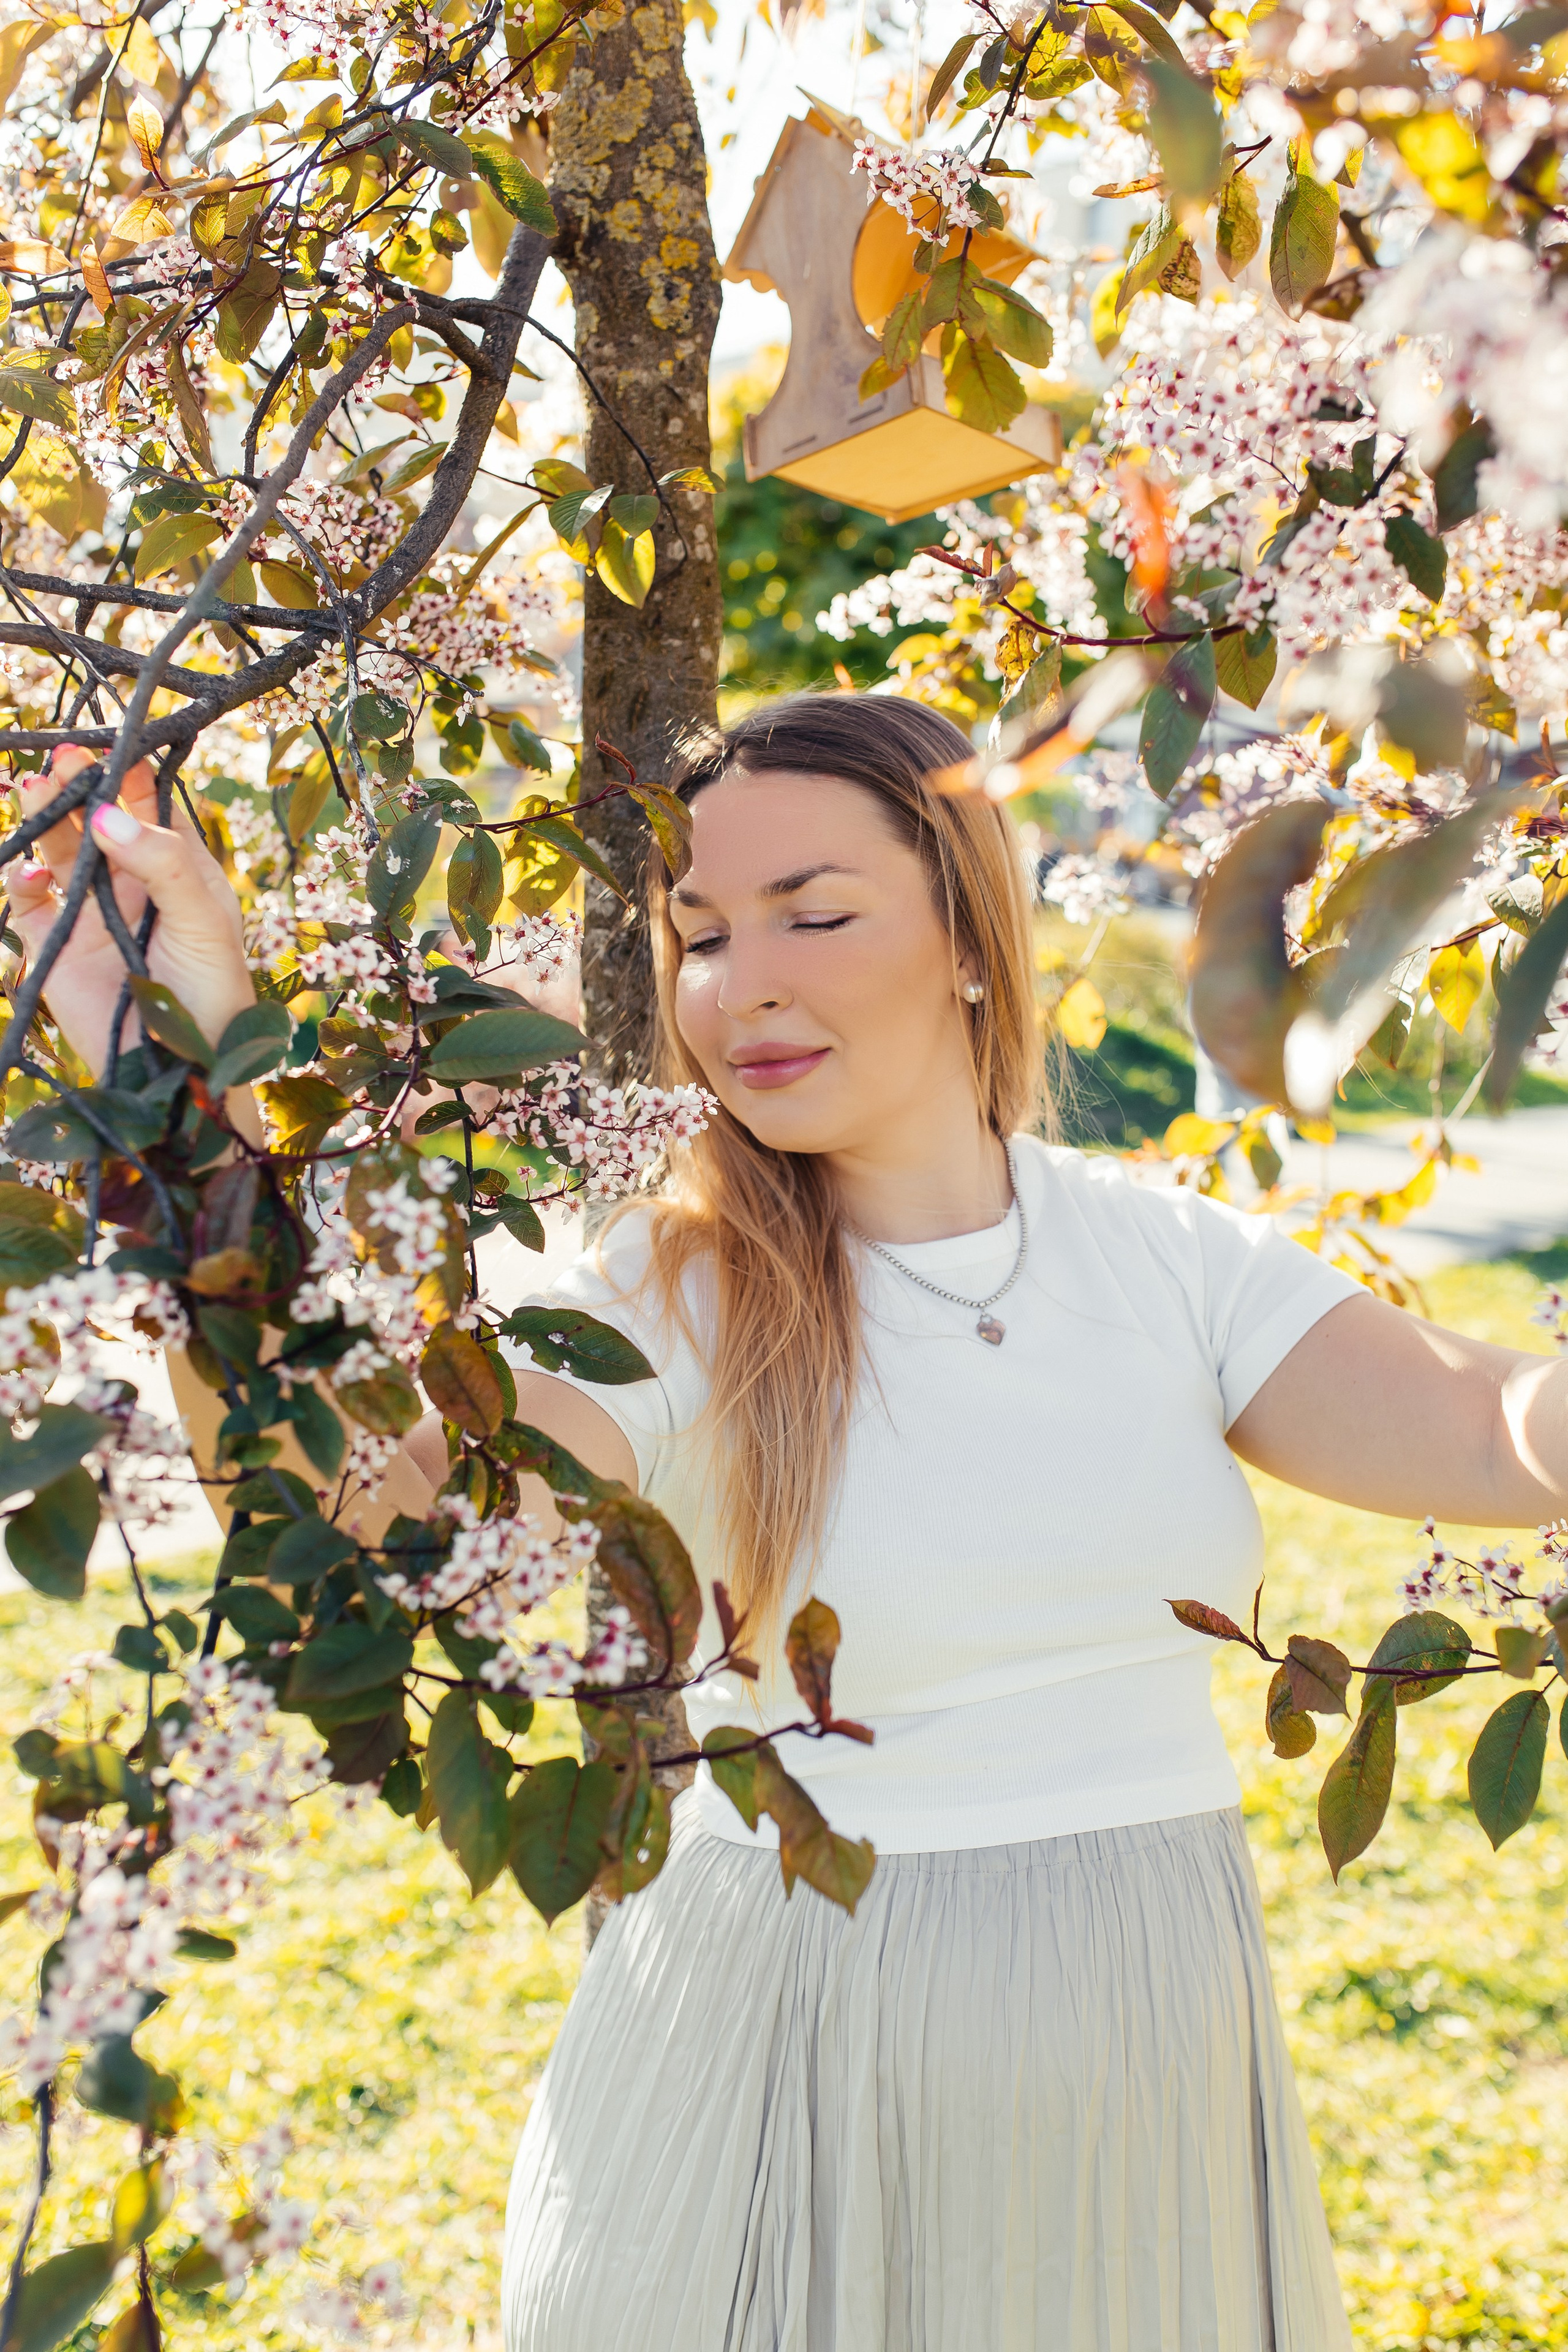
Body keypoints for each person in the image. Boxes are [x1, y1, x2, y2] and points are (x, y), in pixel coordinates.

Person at [17, 701, 1568, 2352]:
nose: (740, 980)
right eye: (699, 933)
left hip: (1143, 2069)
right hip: (795, 2065)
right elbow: (365, 1494)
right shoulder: (678, 1298)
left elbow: (1497, 1429)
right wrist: (184, 1075)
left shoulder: (1167, 1263)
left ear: (971, 941)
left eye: (814, 914)